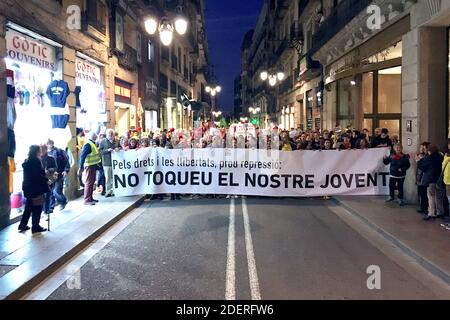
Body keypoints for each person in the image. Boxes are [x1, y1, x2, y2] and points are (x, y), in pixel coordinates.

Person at [18, 145, 50, 233]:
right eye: (39, 151)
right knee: (37, 208)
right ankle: (35, 226)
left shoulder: (27, 160)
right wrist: (46, 180)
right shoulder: (36, 161)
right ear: (37, 152)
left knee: (28, 207)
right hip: (35, 188)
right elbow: (38, 175)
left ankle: (22, 225)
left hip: (27, 187)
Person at [417, 144, 443, 221]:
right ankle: (440, 212)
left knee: (431, 196)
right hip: (439, 180)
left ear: (429, 151)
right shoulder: (440, 157)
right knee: (438, 197)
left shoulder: (429, 158)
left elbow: (423, 168)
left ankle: (431, 213)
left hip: (431, 180)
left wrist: (418, 161)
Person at [78, 131, 101, 205]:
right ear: (93, 137)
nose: (96, 137)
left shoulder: (91, 144)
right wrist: (80, 167)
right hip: (89, 166)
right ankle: (87, 199)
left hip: (92, 165)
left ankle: (90, 198)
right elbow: (82, 156)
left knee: (91, 182)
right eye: (95, 136)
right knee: (89, 182)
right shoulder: (88, 144)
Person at [47, 139, 69, 211]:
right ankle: (51, 207)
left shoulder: (59, 151)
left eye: (50, 143)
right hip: (49, 175)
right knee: (51, 192)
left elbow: (66, 160)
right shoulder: (46, 153)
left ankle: (63, 201)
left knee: (56, 190)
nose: (50, 145)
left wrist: (66, 170)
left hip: (58, 174)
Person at [99, 129, 118, 198]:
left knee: (114, 178)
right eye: (109, 134)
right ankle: (109, 191)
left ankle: (114, 191)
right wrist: (107, 150)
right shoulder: (103, 142)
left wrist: (118, 148)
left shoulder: (116, 141)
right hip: (107, 162)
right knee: (108, 178)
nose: (110, 135)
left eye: (112, 134)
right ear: (107, 135)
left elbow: (120, 147)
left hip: (116, 163)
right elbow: (100, 152)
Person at [40, 144, 57, 215]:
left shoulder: (51, 158)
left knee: (47, 195)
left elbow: (56, 168)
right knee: (41, 196)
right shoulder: (38, 159)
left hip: (49, 179)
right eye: (40, 150)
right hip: (40, 180)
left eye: (43, 149)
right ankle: (43, 210)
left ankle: (46, 211)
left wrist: (50, 170)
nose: (41, 151)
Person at [415, 142, 430, 215]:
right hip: (419, 177)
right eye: (421, 147)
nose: (421, 149)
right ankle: (422, 207)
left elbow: (423, 167)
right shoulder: (419, 155)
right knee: (421, 193)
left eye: (423, 148)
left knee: (424, 194)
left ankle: (426, 208)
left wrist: (419, 160)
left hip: (424, 177)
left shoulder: (426, 157)